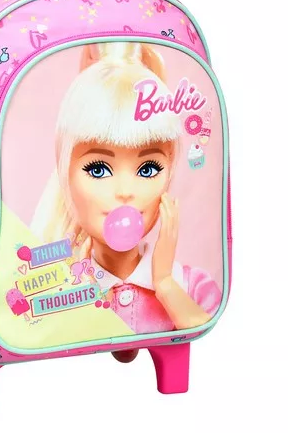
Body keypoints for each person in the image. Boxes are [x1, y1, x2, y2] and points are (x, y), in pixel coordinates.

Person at [30, 42, 221, 333]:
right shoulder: (56, 288)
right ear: (64, 173)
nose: (124, 191)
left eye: (148, 169)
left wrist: (165, 283)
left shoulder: (190, 286)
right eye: (98, 169)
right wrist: (83, 297)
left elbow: (208, 333)